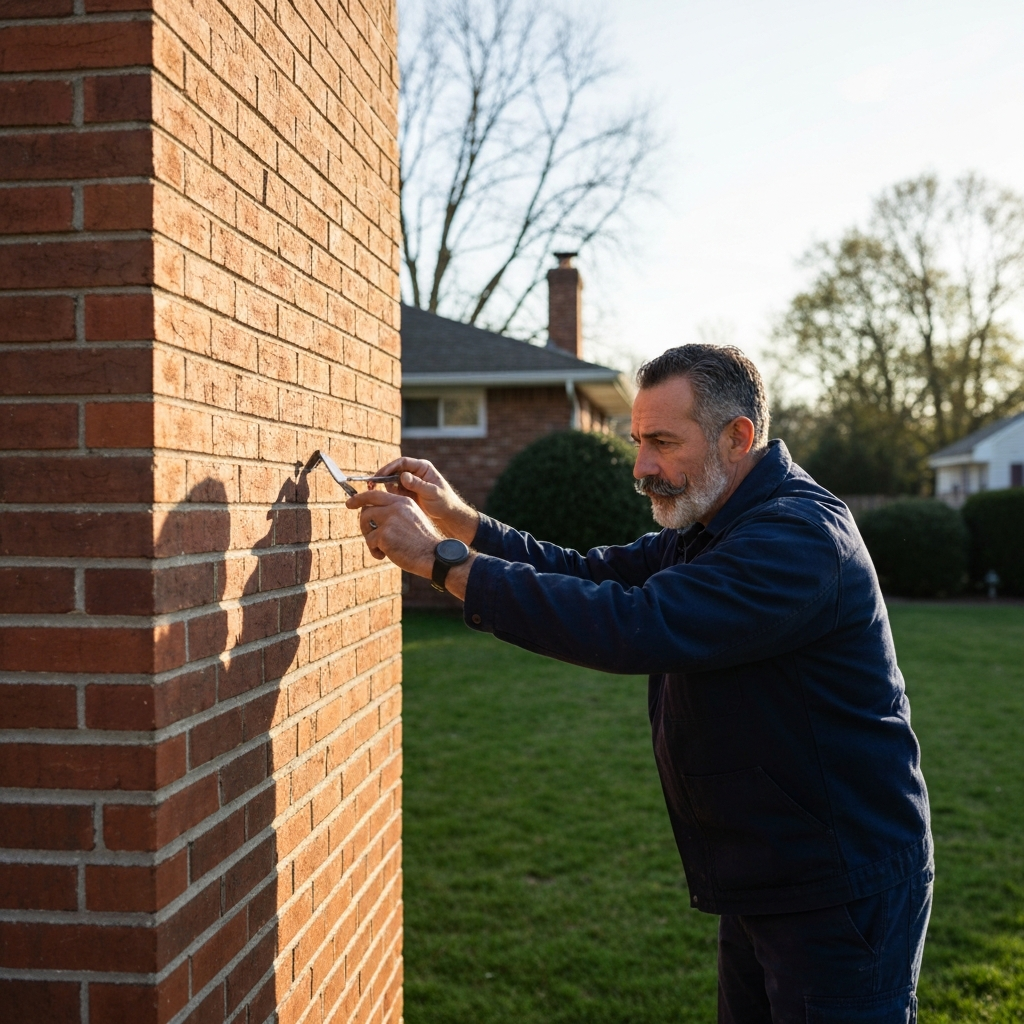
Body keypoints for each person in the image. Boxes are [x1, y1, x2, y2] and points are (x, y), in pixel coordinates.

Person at [348, 345, 933, 1023]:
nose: (641, 466)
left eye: (661, 442)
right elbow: (593, 575)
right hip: (771, 870)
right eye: (637, 441)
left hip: (839, 886)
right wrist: (461, 521)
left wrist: (441, 561)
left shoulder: (797, 539)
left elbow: (635, 623)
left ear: (737, 437)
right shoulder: (715, 522)